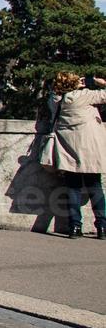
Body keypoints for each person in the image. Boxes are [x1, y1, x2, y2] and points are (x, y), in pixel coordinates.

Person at [42, 71, 106, 238]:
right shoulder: (86, 96)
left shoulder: (56, 99)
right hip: (89, 147)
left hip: (68, 148)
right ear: (73, 84)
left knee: (73, 187)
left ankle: (75, 227)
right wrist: (99, 82)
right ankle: (102, 227)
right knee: (95, 186)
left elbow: (53, 100)